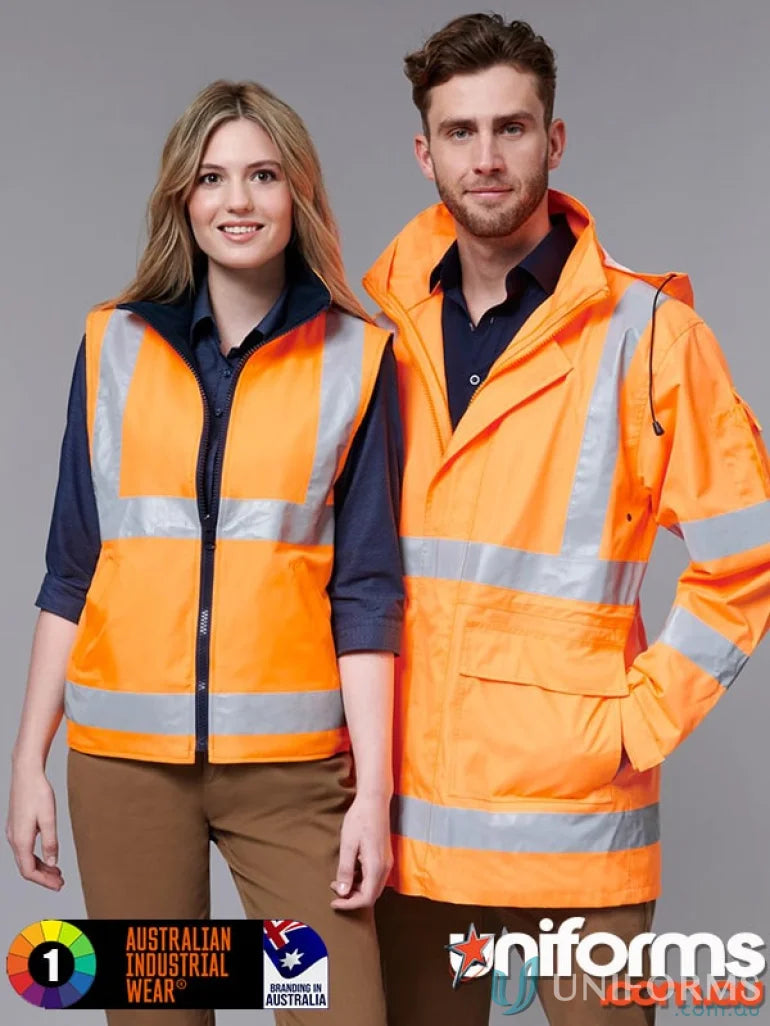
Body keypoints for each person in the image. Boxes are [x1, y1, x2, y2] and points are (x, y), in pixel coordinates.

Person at [362, 13, 770, 1026]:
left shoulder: (650, 336)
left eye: (511, 127)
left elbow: (746, 553)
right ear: (423, 152)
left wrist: (638, 724)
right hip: (410, 826)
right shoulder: (377, 336)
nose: (485, 157)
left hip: (577, 823)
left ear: (553, 139)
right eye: (459, 132)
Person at [7, 79, 403, 1026]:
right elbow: (72, 568)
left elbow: (366, 592)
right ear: (182, 198)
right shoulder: (111, 344)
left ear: (298, 192)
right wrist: (28, 761)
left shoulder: (357, 358)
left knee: (341, 1011)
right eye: (213, 178)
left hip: (293, 775)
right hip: (126, 769)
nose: (238, 201)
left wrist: (374, 794)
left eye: (263, 175)